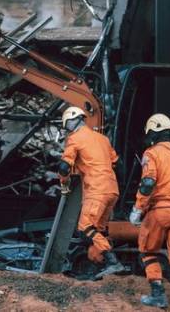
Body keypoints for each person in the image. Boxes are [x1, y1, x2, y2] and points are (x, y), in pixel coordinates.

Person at [128, 114, 170, 311]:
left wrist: (137, 209)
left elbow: (148, 183)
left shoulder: (152, 153)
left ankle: (158, 296)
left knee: (148, 251)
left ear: (153, 134)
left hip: (161, 210)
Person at [57, 106, 124, 278]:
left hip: (96, 190)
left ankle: (113, 262)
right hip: (112, 190)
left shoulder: (74, 139)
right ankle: (99, 261)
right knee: (98, 230)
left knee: (85, 227)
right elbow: (117, 163)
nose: (66, 130)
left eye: (66, 126)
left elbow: (64, 167)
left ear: (71, 122)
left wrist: (64, 183)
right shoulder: (102, 139)